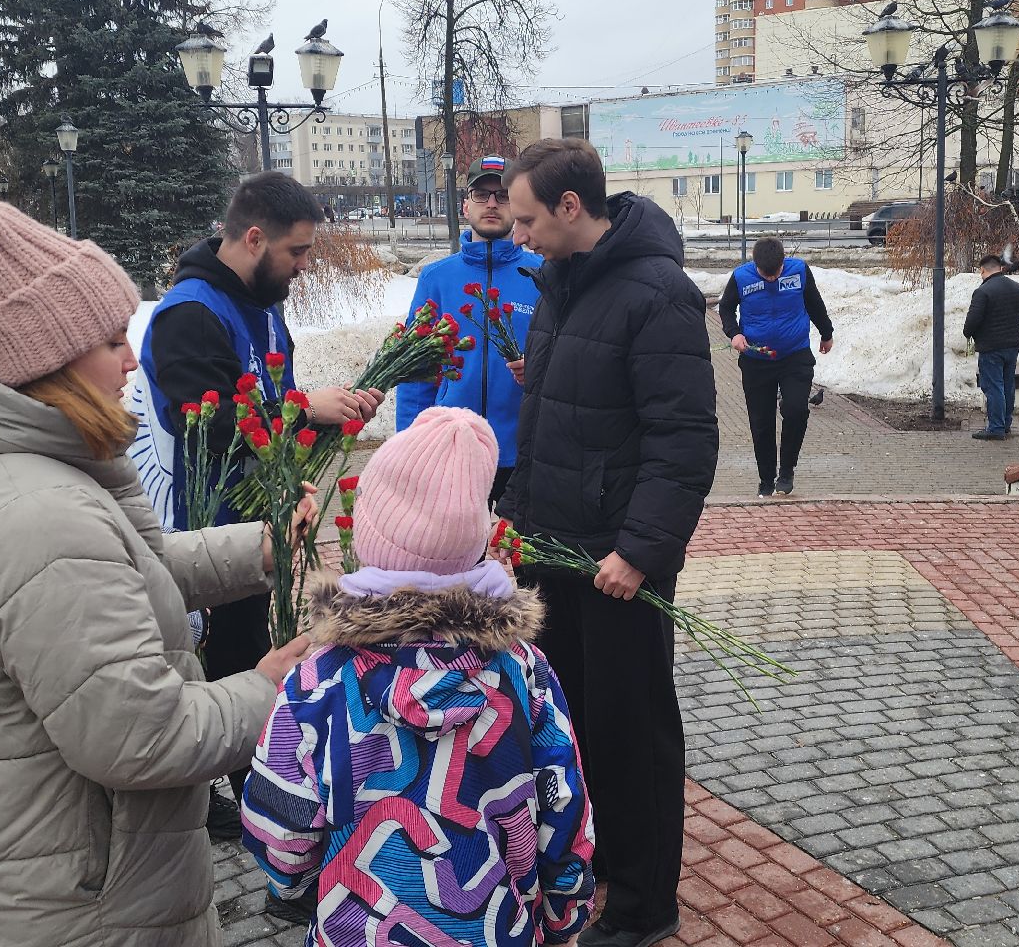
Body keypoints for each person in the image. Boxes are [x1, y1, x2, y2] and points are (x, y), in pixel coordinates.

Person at [0, 196, 313, 946]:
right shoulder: (37, 516)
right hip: (70, 901)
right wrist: (271, 687)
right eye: (111, 340)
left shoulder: (26, 470)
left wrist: (262, 547)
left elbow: (127, 572)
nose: (132, 359)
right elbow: (140, 737)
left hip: (43, 866)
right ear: (45, 362)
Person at [241, 406, 597, 945]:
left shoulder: (320, 678)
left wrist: (296, 882)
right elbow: (563, 804)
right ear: (475, 541)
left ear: (368, 535)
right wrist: (563, 917)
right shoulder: (523, 670)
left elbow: (279, 822)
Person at [498, 138, 718, 947]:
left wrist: (641, 550)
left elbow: (685, 439)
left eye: (526, 218)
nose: (515, 234)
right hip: (551, 551)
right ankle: (588, 866)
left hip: (617, 565)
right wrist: (514, 527)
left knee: (633, 741)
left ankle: (642, 905)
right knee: (567, 729)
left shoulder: (657, 293)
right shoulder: (562, 280)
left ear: (568, 207)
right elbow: (548, 424)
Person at [130, 171, 383, 840]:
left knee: (258, 654)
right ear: (251, 238)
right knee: (235, 664)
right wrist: (302, 408)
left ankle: (259, 797)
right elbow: (204, 421)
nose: (303, 268)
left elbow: (272, 400)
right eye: (296, 253)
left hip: (265, 519)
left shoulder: (263, 301)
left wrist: (329, 420)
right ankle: (263, 817)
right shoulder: (188, 313)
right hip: (209, 534)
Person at [395, 154, 543, 507]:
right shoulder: (437, 279)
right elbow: (416, 372)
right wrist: (409, 446)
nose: (492, 204)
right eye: (482, 194)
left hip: (526, 453)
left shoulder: (542, 275)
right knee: (459, 561)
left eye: (503, 195)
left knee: (529, 560)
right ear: (466, 204)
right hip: (454, 452)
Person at [717, 237, 834, 497]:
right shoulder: (741, 277)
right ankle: (766, 480)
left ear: (784, 262)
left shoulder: (799, 271)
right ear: (755, 265)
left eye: (775, 273)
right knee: (761, 423)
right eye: (765, 274)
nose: (771, 279)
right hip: (756, 362)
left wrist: (826, 333)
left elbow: (814, 303)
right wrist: (734, 333)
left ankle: (787, 469)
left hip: (794, 355)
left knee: (795, 410)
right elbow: (725, 308)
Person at [962, 250, 1019, 441]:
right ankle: (1005, 424)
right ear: (1000, 268)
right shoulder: (1018, 288)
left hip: (991, 347)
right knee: (1008, 384)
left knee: (993, 387)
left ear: (983, 271)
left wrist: (968, 334)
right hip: (1013, 345)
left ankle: (996, 428)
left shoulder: (983, 292)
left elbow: (972, 321)